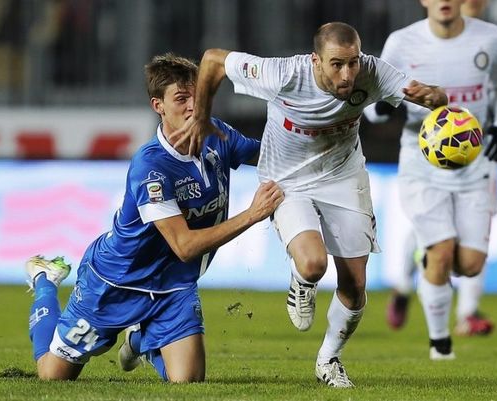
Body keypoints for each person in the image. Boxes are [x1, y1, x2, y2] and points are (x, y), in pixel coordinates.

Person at [170, 22, 447, 387]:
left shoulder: (373, 72)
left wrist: (434, 98)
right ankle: (303, 281)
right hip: (288, 182)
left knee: (355, 285)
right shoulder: (283, 74)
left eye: (353, 63)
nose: (347, 74)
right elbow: (213, 61)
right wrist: (203, 116)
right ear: (316, 60)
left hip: (344, 178)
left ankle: (328, 360)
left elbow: (434, 97)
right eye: (336, 64)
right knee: (314, 264)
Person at [25, 53, 284, 382]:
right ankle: (45, 281)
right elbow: (184, 246)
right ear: (158, 106)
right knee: (53, 375)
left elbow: (273, 157)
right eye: (180, 99)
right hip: (117, 280)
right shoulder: (152, 166)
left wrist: (311, 133)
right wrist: (252, 215)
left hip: (173, 286)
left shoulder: (219, 135)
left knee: (188, 383)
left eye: (197, 96)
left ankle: (142, 340)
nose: (192, 106)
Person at [367, 0, 497, 360]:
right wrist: (386, 103)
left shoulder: (491, 38)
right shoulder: (401, 43)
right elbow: (372, 108)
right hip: (421, 166)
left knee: (469, 265)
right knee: (442, 251)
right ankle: (440, 345)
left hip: (473, 165)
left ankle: (425, 258)